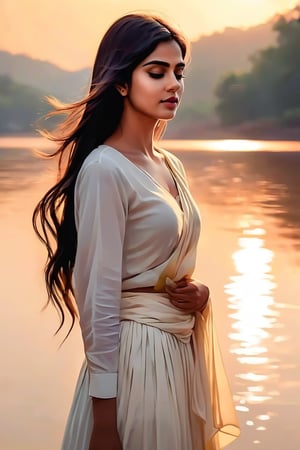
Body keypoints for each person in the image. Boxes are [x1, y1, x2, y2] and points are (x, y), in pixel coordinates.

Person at [33, 13, 240, 450]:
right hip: (135, 363)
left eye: (178, 73)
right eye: (156, 72)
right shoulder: (105, 168)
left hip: (176, 355)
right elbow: (99, 296)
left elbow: (161, 266)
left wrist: (200, 296)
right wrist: (105, 422)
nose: (173, 85)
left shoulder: (170, 165)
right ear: (122, 83)